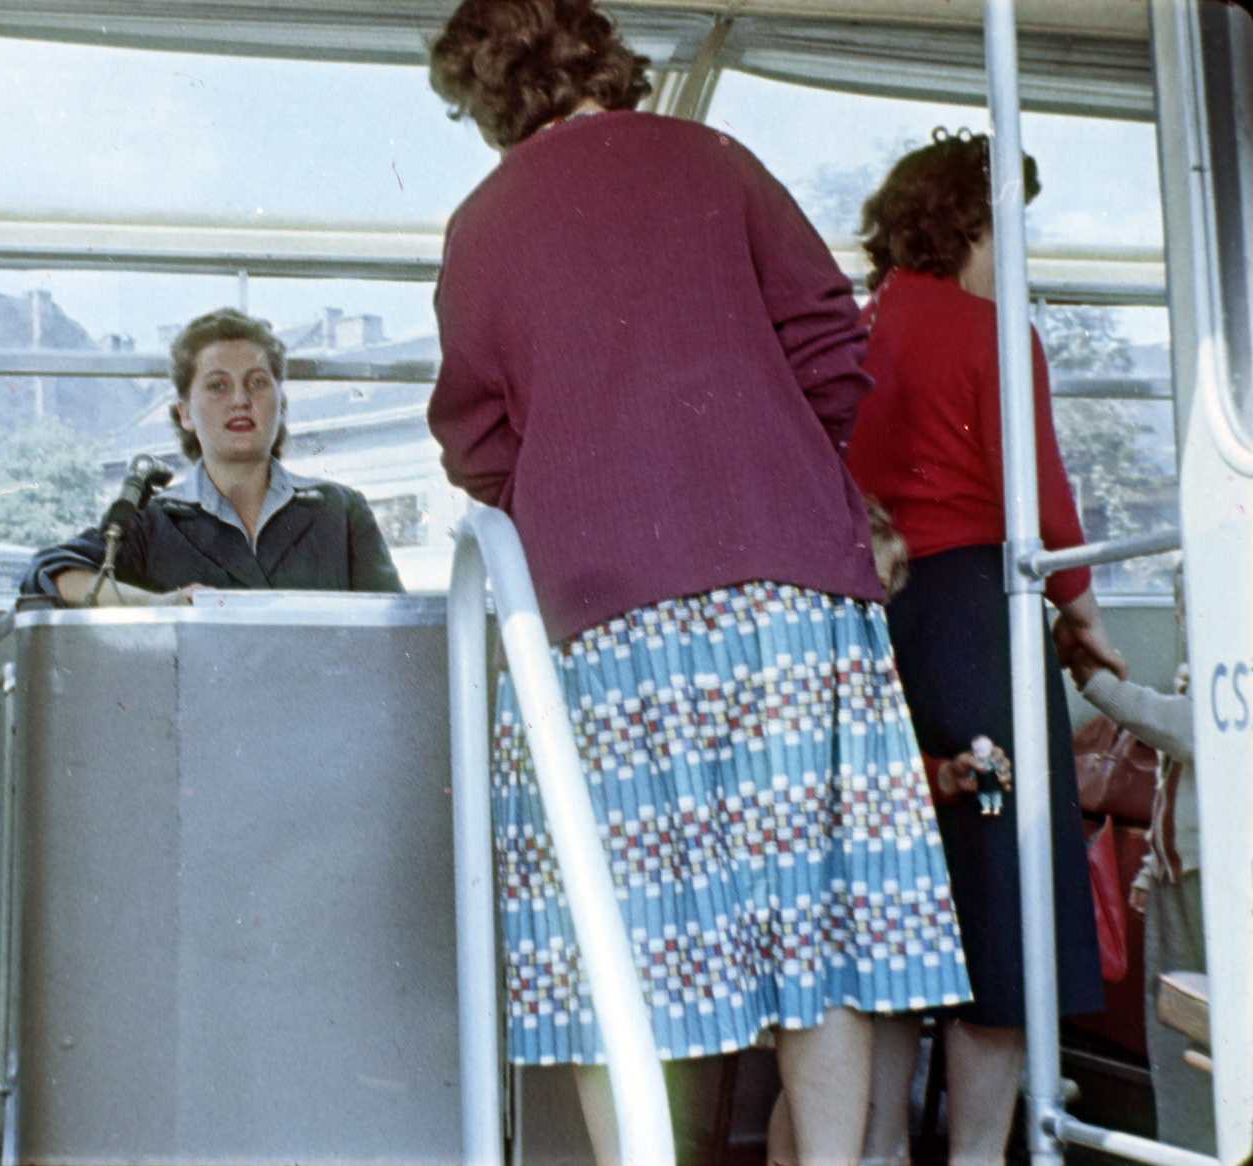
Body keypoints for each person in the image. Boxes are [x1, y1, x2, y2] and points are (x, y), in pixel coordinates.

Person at [426, 5, 972, 1163]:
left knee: (601, 930)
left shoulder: (482, 224)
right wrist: (769, 460)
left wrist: (585, 486)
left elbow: (475, 440)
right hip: (788, 598)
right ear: (604, 60)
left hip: (604, 618)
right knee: (813, 922)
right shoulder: (716, 160)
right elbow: (832, 338)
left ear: (488, 97)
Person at [843, 128, 1128, 1165]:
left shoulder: (852, 330)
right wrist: (1082, 610)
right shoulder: (988, 329)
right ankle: (974, 1156)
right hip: (973, 616)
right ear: (972, 220)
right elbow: (1037, 491)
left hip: (876, 621)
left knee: (888, 915)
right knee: (1002, 906)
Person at [22, 308, 404, 604]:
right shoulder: (152, 522)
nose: (240, 399)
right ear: (184, 413)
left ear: (282, 404)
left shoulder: (342, 511)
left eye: (256, 382)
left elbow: (396, 630)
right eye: (218, 385)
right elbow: (45, 572)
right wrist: (155, 603)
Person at [1070, 578, 1212, 1156]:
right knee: (1173, 1020)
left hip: (1216, 883)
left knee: (1201, 1021)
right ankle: (1186, 1140)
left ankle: (1201, 1140)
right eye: (1185, 608)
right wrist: (1152, 866)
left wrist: (1096, 683)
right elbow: (1173, 796)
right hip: (1182, 875)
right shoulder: (1201, 681)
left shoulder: (1225, 695)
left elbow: (1180, 728)